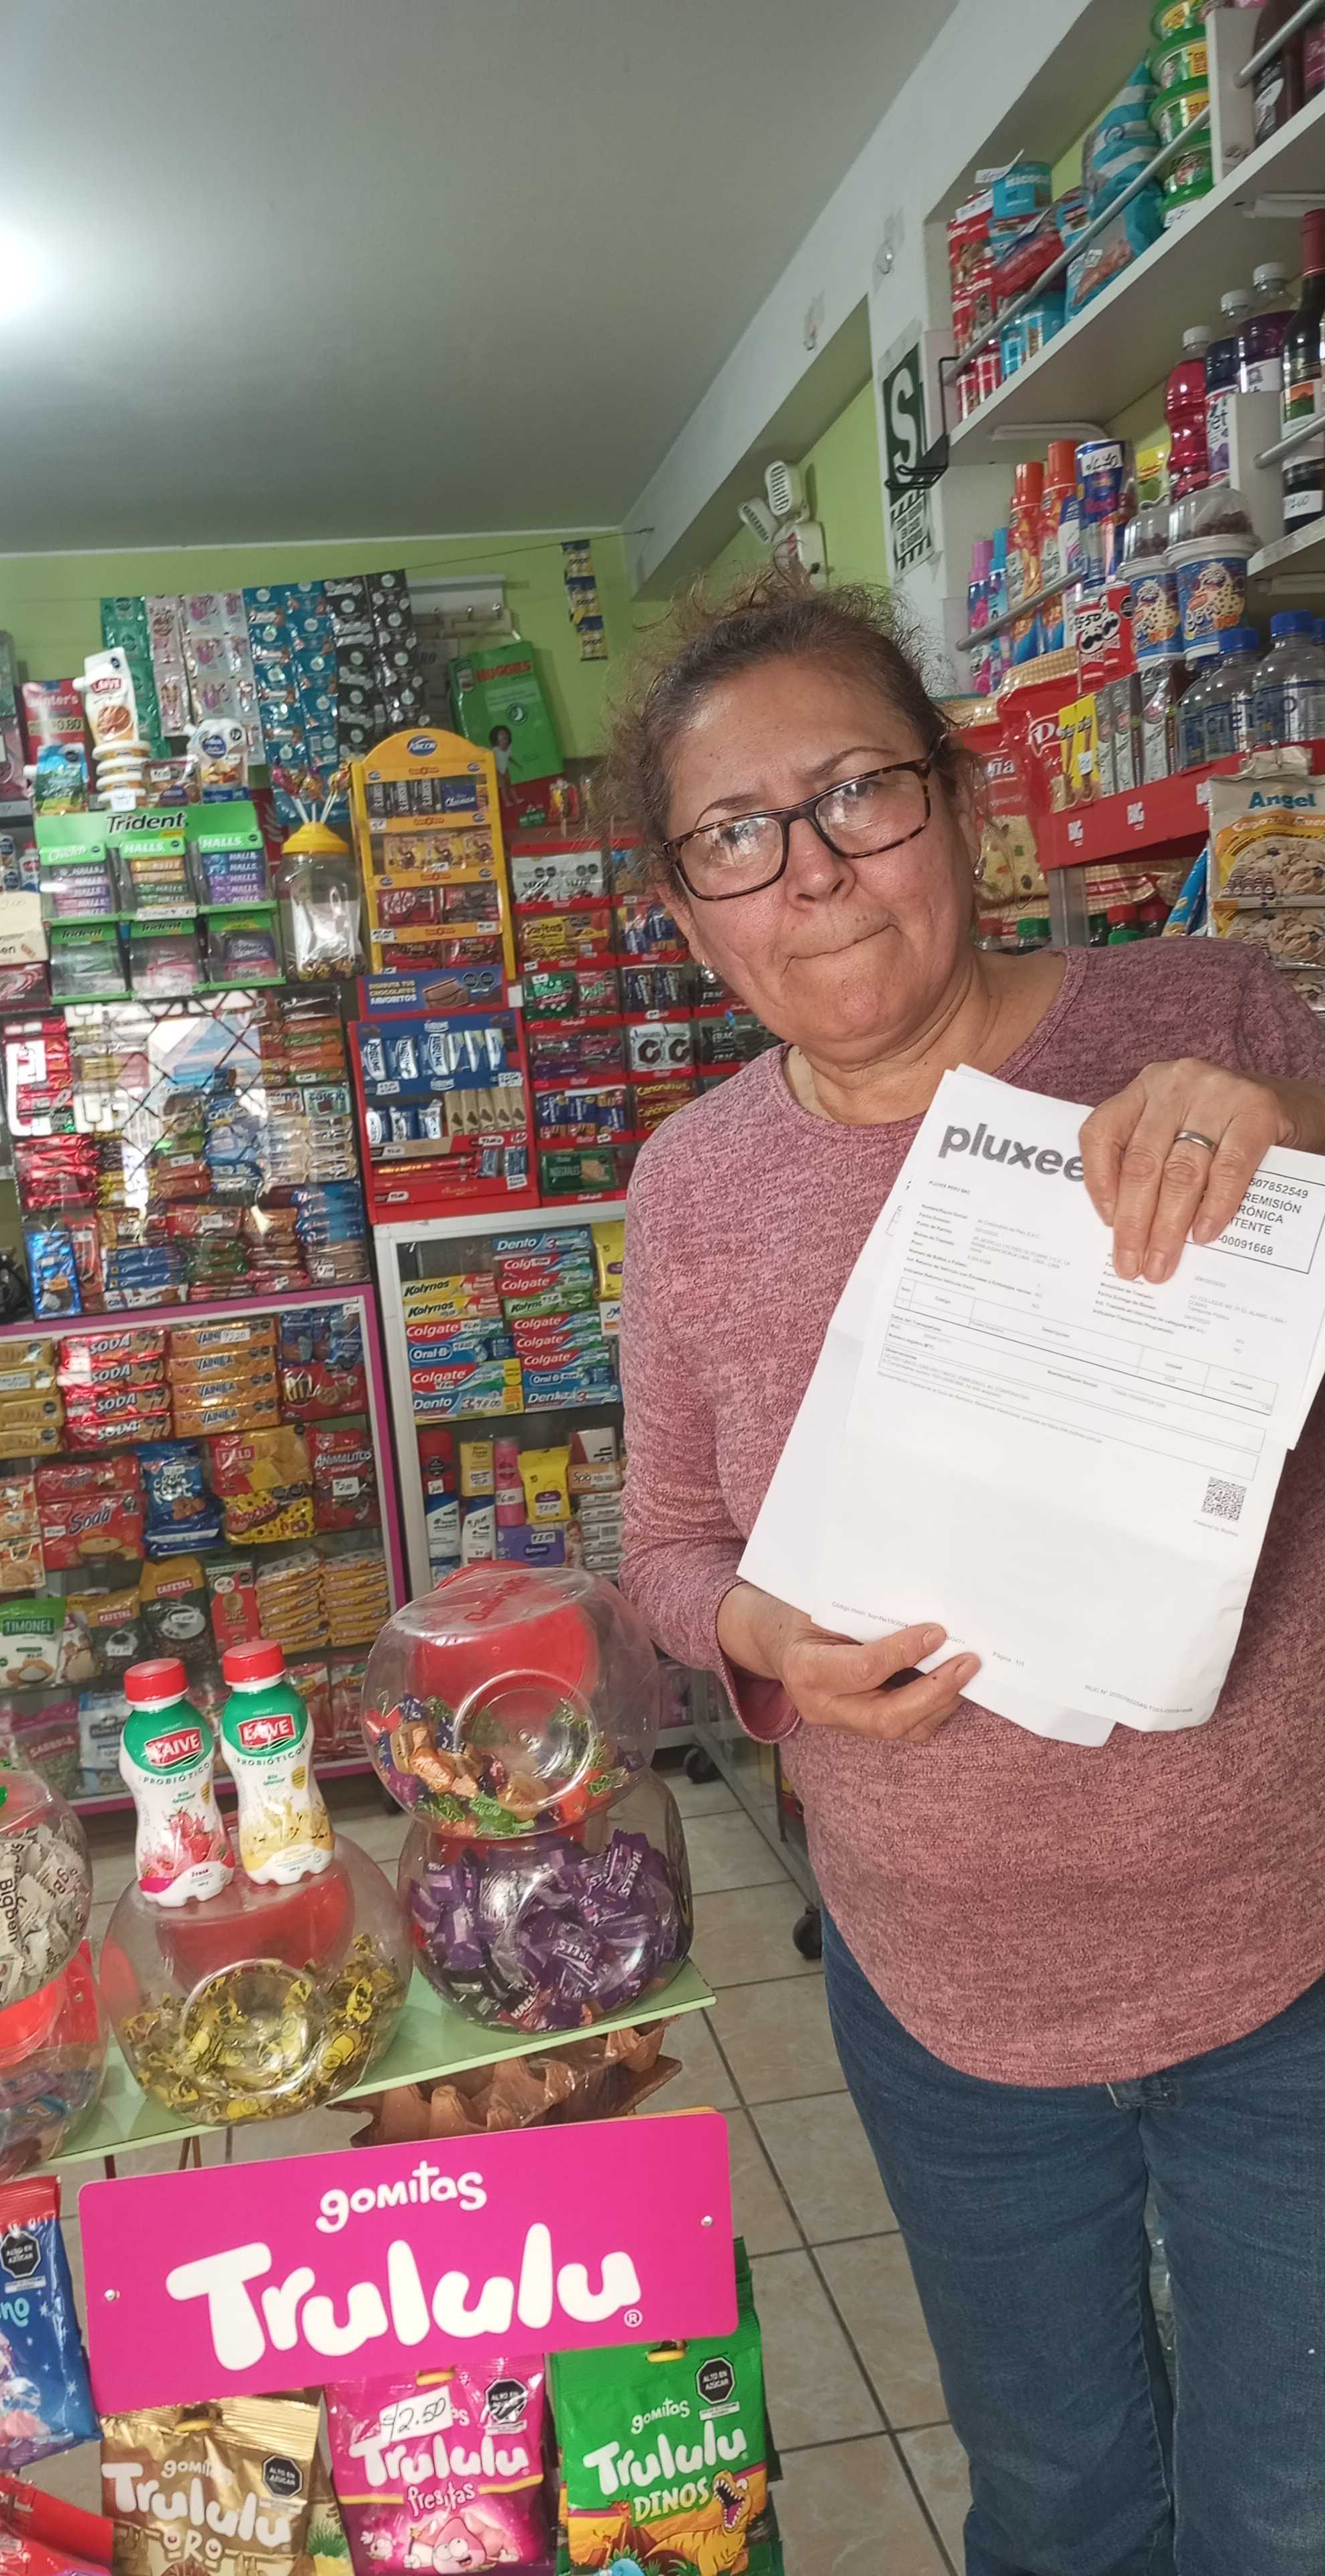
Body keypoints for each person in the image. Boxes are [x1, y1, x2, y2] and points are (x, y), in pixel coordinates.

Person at [611, 567, 1325, 2576]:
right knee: (1062, 2508)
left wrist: (1296, 1129)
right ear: (688, 911)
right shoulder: (693, 1187)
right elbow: (662, 1547)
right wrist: (759, 1635)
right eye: (737, 837)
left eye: (859, 793)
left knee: (1288, 2515)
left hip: (1285, 1958)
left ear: (960, 802)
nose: (814, 873)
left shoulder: (1205, 1017)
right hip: (944, 2005)